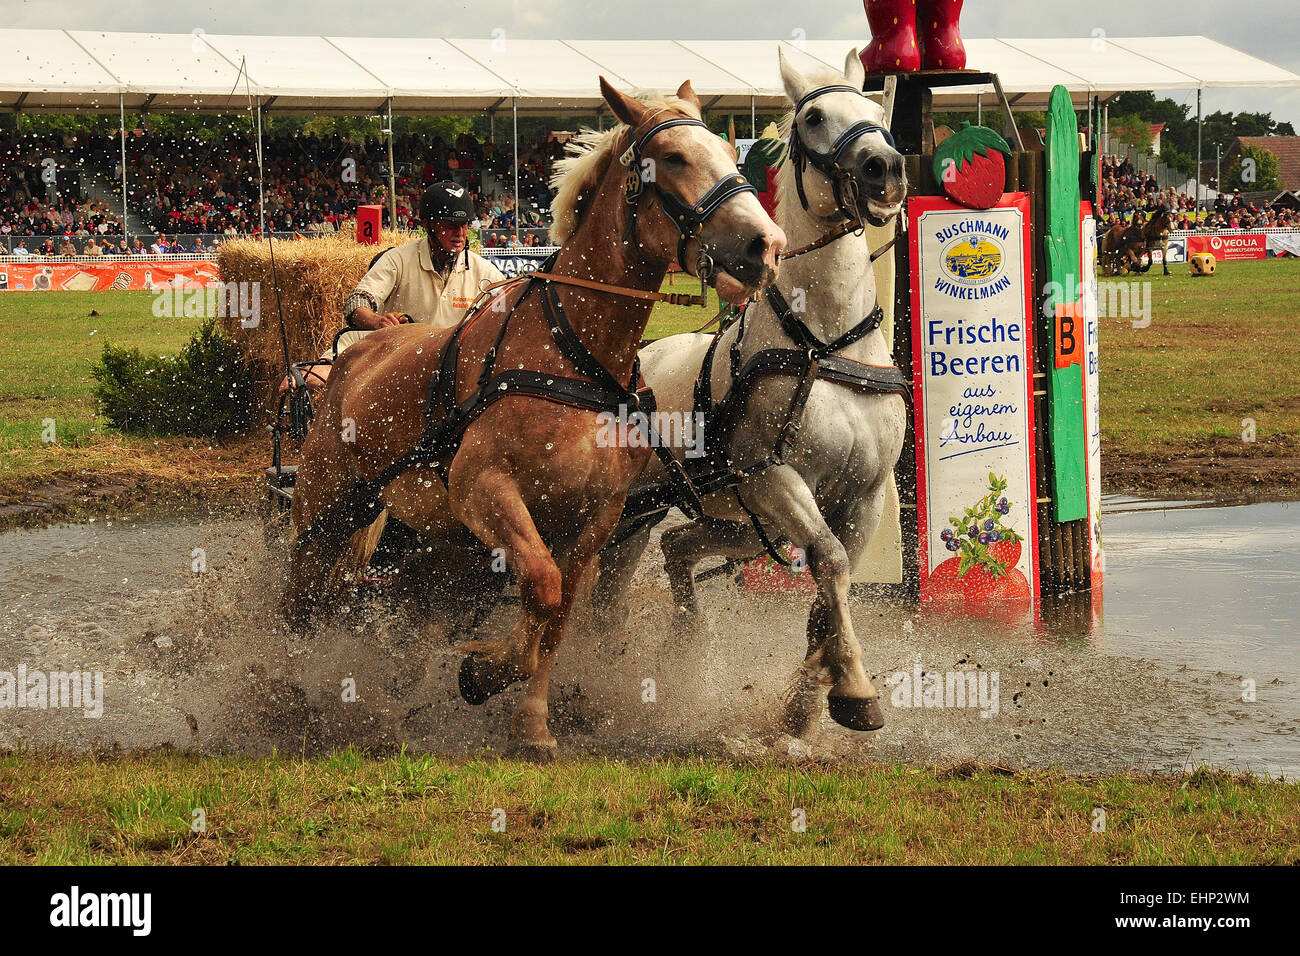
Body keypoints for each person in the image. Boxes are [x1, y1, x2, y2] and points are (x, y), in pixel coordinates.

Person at [285, 182, 507, 393]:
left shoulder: (486, 273)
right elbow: (357, 302)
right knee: (310, 377)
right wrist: (377, 322)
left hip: (455, 372)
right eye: (449, 225)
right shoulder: (397, 259)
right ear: (428, 226)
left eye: (464, 225)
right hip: (396, 362)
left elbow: (510, 317)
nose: (459, 233)